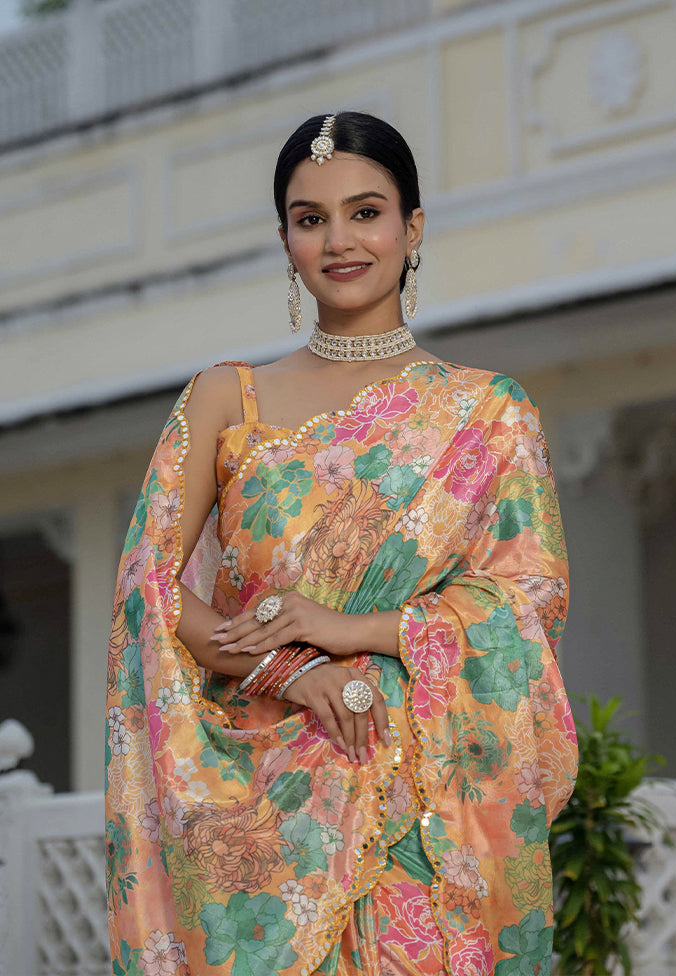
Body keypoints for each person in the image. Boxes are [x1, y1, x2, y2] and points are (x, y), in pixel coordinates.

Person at [106, 111, 577, 976]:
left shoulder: (488, 413)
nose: (339, 241)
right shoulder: (225, 398)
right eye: (309, 218)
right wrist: (291, 669)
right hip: (259, 826)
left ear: (413, 227)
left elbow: (527, 604)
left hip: (421, 809)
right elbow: (150, 587)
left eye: (366, 212)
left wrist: (349, 628)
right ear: (285, 238)